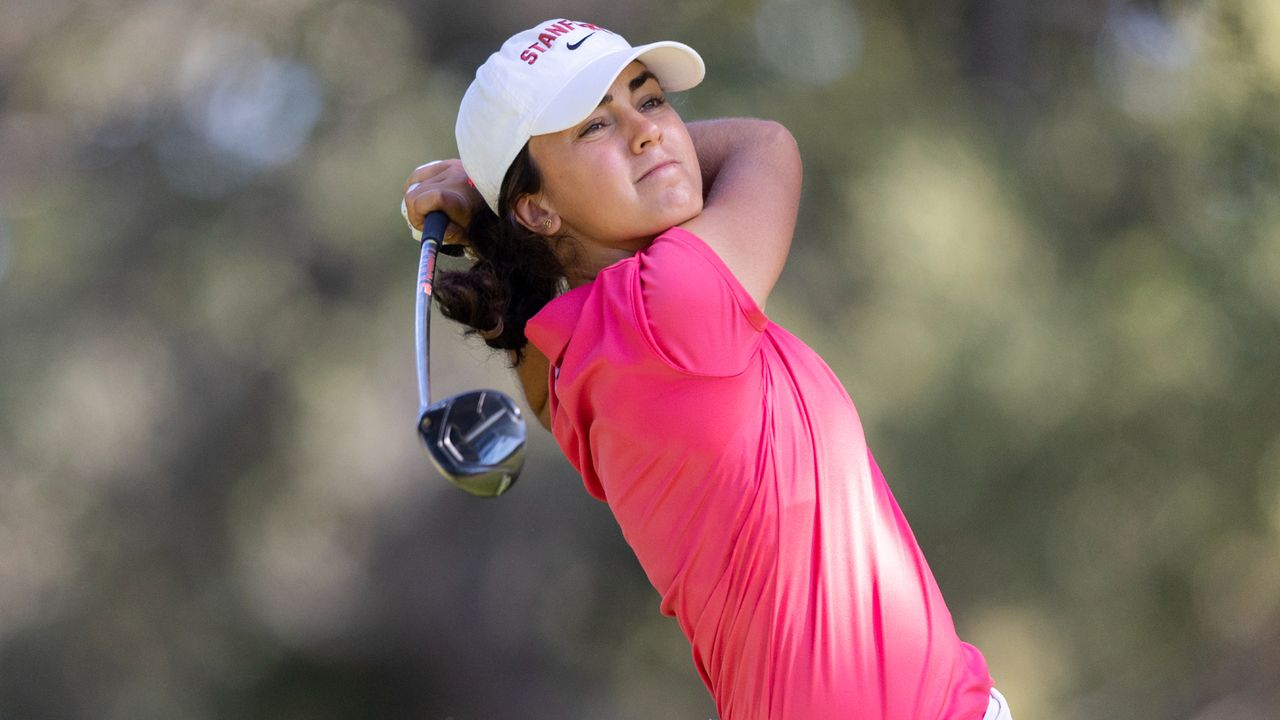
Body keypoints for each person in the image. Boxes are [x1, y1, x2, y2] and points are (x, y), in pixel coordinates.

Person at [400, 17, 1012, 720]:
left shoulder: (577, 364)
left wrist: (493, 213)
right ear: (536, 208)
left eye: (650, 99)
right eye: (594, 126)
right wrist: (487, 202)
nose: (649, 131)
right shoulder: (671, 303)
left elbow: (536, 351)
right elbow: (764, 143)